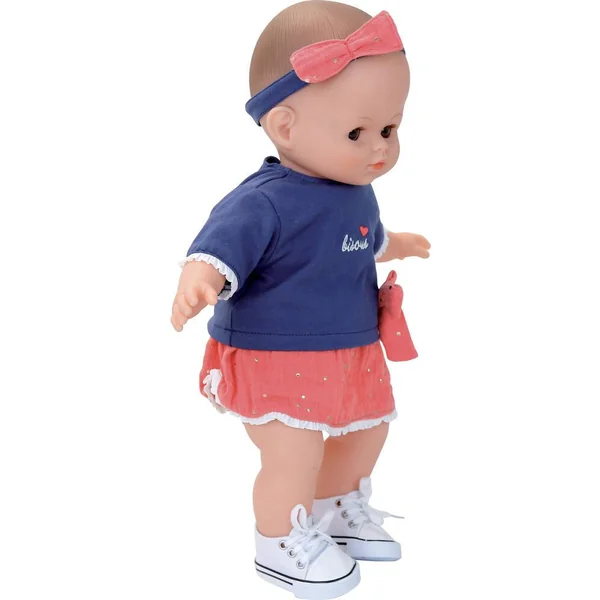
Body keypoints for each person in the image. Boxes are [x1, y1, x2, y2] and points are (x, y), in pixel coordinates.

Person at [171, 2, 430, 597]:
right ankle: (278, 541)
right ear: (285, 127)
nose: (379, 149)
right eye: (358, 133)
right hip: (279, 353)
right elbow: (217, 246)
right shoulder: (264, 200)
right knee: (294, 453)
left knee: (366, 432)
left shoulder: (356, 190)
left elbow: (362, 238)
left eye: (390, 129)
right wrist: (200, 278)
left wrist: (397, 243)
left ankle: (335, 508)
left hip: (351, 346)